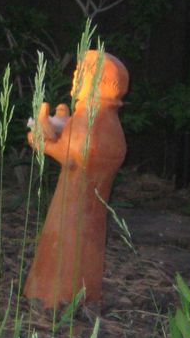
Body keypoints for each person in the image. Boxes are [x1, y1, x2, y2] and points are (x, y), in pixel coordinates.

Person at [24, 50, 128, 308]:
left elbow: (74, 155)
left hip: (72, 206)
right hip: (92, 208)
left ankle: (51, 296)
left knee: (64, 247)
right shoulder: (107, 119)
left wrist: (41, 141)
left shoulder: (90, 116)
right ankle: (86, 296)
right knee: (88, 246)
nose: (74, 78)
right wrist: (63, 124)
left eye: (81, 74)